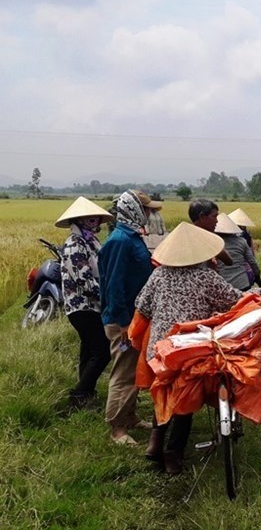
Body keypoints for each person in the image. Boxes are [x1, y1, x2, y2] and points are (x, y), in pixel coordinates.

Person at [135, 222, 261, 474]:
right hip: (189, 349)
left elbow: (142, 305)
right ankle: (172, 454)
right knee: (186, 399)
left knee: (164, 392)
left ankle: (155, 443)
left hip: (160, 348)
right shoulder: (206, 276)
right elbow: (236, 299)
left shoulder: (159, 274)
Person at [98, 189, 155, 445]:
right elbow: (113, 285)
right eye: (145, 209)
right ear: (132, 209)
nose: (148, 213)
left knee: (133, 369)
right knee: (123, 371)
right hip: (123, 319)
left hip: (134, 315)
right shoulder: (120, 241)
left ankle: (130, 415)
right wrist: (123, 322)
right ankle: (117, 428)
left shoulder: (132, 236)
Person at [55, 197, 114, 410]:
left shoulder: (90, 241)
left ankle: (86, 395)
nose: (95, 221)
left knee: (89, 351)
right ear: (80, 220)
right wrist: (108, 297)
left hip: (91, 306)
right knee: (102, 351)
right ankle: (79, 393)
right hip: (82, 307)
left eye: (96, 218)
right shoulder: (74, 245)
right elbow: (84, 281)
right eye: (90, 218)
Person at [215, 212, 261, 292]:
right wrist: (257, 276)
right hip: (242, 283)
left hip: (222, 284)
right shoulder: (242, 241)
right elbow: (252, 261)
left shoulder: (213, 242)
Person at [188, 198, 233, 266]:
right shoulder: (208, 239)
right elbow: (229, 261)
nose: (217, 221)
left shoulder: (180, 236)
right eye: (214, 216)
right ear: (202, 217)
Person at [229, 207, 261, 288]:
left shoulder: (221, 238)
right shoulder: (246, 235)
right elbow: (251, 255)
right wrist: (257, 274)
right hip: (244, 265)